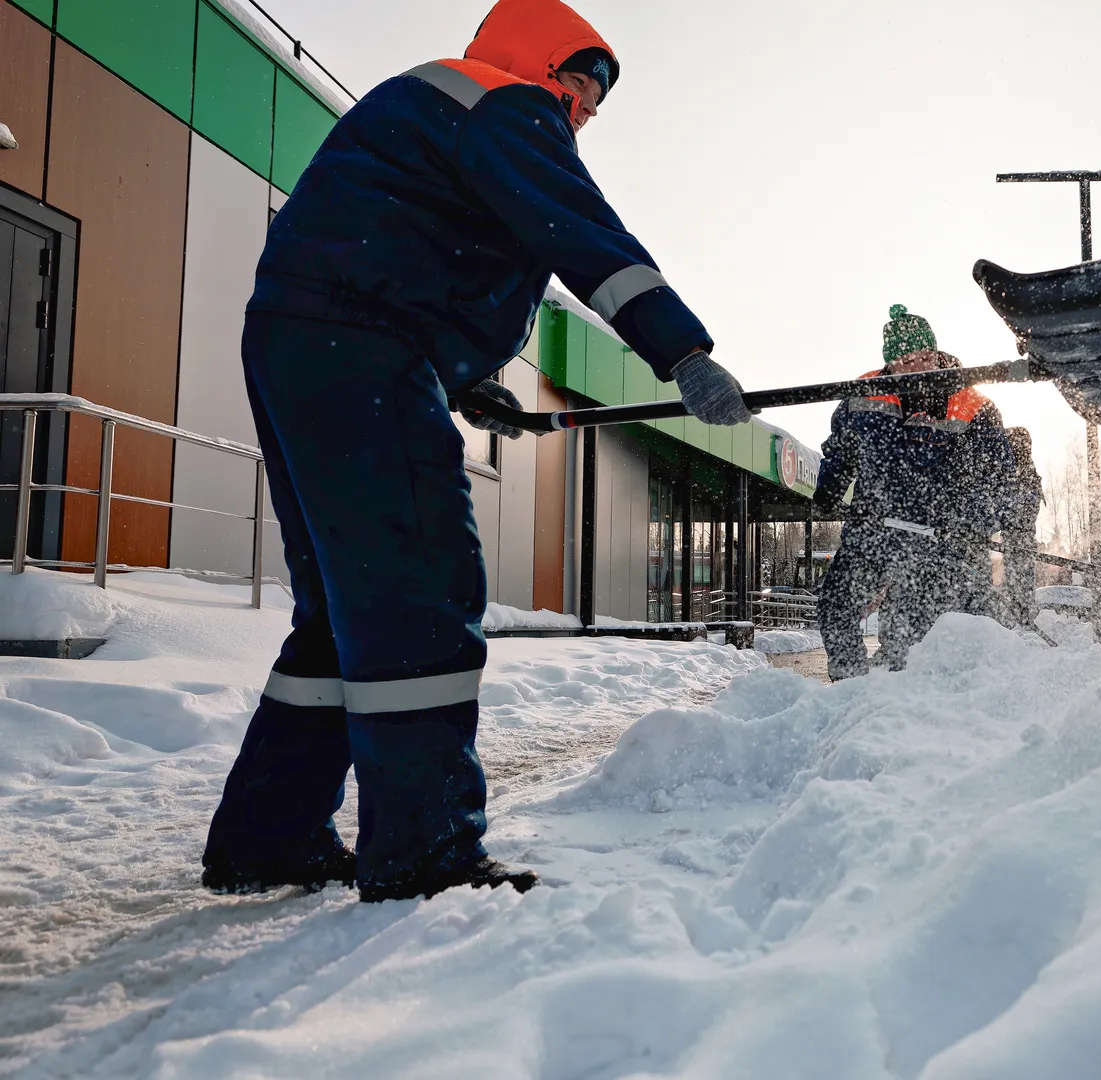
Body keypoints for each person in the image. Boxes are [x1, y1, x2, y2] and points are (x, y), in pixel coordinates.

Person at [201, 0, 751, 903]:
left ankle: (272, 836)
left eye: (593, 106)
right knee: (420, 591)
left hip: (309, 342)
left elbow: (404, 249)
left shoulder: (431, 103)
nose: (583, 114)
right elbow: (585, 234)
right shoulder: (504, 104)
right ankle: (425, 853)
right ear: (543, 64)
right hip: (361, 347)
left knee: (347, 611)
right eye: (580, 88)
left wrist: (459, 379)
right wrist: (682, 351)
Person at [813, 305, 1013, 680]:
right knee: (835, 606)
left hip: (936, 538)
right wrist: (829, 488)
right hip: (872, 526)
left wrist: (975, 523)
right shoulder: (863, 395)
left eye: (926, 357)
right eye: (907, 361)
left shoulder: (974, 405)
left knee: (906, 628)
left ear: (938, 353)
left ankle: (897, 698)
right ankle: (849, 687)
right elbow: (841, 450)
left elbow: (998, 476)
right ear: (889, 364)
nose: (919, 367)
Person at [998, 427, 1046, 628]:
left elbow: (1024, 507)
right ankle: (1019, 614)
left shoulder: (1021, 471)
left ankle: (1021, 615)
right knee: (1017, 576)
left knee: (1020, 575)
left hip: (1019, 534)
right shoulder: (1018, 470)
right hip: (1016, 533)